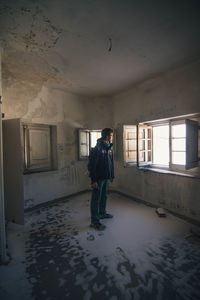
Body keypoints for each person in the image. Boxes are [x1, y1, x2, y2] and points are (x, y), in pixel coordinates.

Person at [88, 128, 114, 230]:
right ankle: (95, 221)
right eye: (111, 136)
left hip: (106, 177)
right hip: (98, 178)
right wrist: (93, 181)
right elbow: (91, 166)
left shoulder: (110, 147)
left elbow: (111, 163)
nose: (112, 138)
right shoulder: (97, 148)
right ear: (107, 136)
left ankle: (102, 213)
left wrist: (112, 175)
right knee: (96, 199)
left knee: (103, 197)